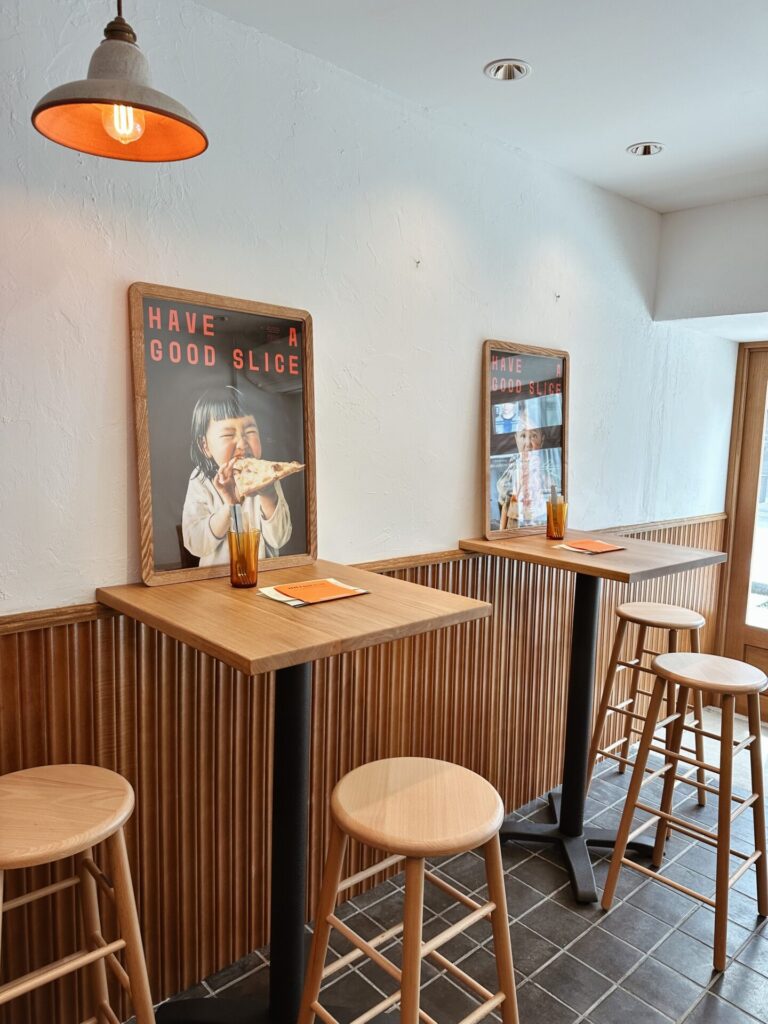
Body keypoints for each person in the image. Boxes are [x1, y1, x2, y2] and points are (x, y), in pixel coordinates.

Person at [182, 386, 292, 566]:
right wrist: (230, 507)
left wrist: (268, 495)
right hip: (216, 579)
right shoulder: (201, 480)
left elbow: (280, 539)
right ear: (205, 446)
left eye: (250, 432)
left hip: (263, 576)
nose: (242, 443)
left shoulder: (266, 476)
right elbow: (196, 544)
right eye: (228, 435)